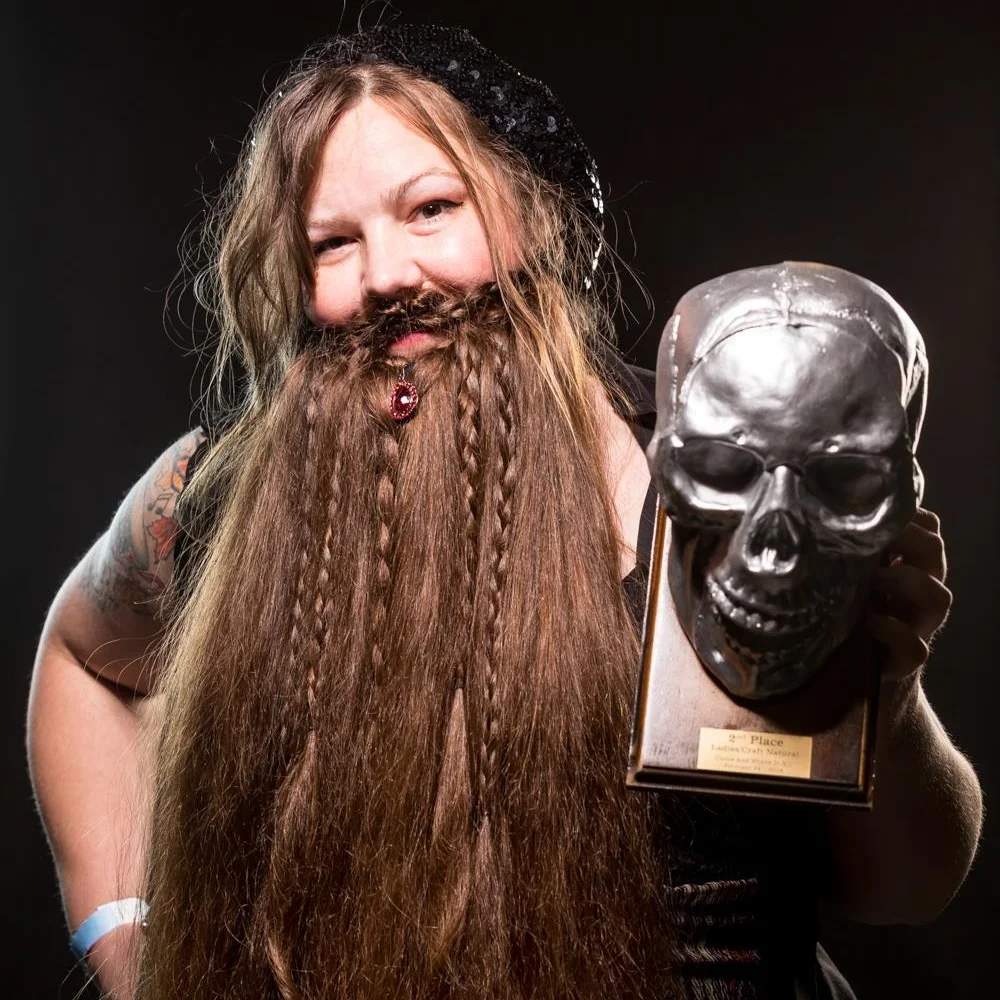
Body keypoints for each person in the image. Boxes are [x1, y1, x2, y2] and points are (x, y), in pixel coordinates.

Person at [26, 23, 982, 1000]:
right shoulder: (216, 493)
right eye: (333, 243)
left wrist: (889, 691)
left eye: (432, 209)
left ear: (539, 211)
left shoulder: (714, 491)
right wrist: (123, 930)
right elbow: (81, 657)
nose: (387, 275)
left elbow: (905, 888)